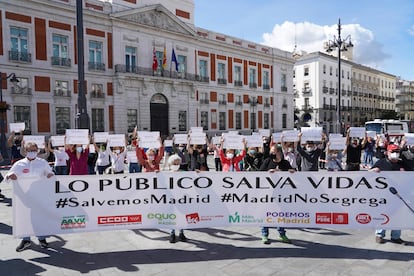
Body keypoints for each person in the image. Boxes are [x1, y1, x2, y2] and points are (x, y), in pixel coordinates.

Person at [5, 142, 55, 252]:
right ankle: (26, 240)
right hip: (23, 197)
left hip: (39, 195)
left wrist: (49, 175)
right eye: (30, 150)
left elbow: (50, 174)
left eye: (34, 150)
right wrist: (10, 176)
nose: (32, 152)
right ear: (25, 151)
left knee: (39, 218)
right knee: (24, 218)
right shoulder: (19, 164)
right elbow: (7, 177)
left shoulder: (42, 163)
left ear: (37, 151)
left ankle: (42, 239)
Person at [370, 144, 407, 245]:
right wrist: (373, 171)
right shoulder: (381, 163)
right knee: (383, 214)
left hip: (399, 195)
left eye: (397, 152)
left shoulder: (402, 163)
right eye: (393, 152)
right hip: (384, 195)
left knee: (398, 216)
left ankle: (396, 236)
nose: (395, 154)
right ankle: (379, 235)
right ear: (387, 153)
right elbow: (368, 174)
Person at [259, 145, 295, 244]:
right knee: (266, 213)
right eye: (271, 151)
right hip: (268, 193)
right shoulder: (267, 161)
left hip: (281, 193)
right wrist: (268, 172)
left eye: (273, 152)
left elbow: (294, 174)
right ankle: (265, 234)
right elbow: (259, 174)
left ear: (279, 153)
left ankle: (282, 234)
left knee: (281, 214)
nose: (271, 153)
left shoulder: (285, 163)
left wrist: (291, 172)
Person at [166, 154, 188, 243]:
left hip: (181, 198)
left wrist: (197, 173)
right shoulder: (166, 174)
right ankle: (172, 233)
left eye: (178, 163)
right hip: (170, 199)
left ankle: (181, 232)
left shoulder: (183, 173)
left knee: (182, 216)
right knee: (172, 216)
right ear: (170, 164)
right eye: (174, 163)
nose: (176, 165)